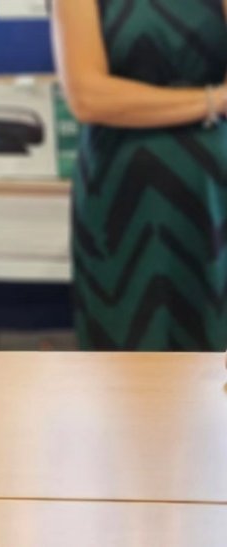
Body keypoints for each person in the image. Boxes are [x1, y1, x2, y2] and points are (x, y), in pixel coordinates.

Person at [52, 0, 227, 350]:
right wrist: (213, 101)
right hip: (120, 192)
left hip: (213, 188)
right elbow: (87, 97)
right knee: (124, 344)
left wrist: (135, 101)